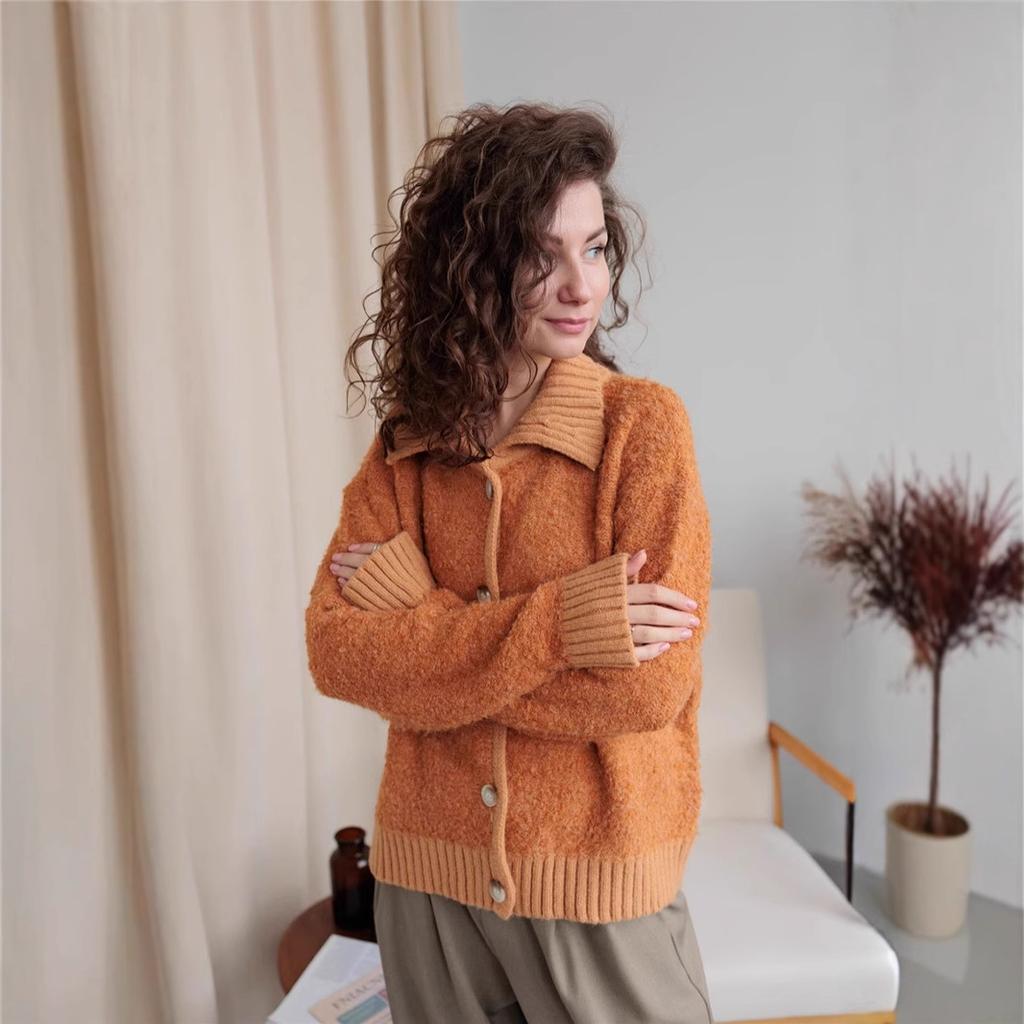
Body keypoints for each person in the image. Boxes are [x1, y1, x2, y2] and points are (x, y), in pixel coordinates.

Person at [305, 101, 714, 1023]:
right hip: (426, 888)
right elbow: (337, 652)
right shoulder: (408, 445)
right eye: (541, 253)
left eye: (595, 248)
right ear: (472, 265)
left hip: (599, 895)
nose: (580, 284)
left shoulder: (640, 430)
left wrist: (427, 633)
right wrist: (569, 625)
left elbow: (650, 690)